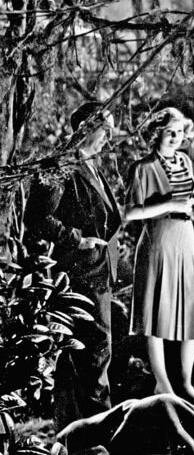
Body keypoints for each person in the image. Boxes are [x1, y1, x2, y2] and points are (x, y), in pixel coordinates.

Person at [24, 102, 122, 427]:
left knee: (84, 352)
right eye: (104, 129)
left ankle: (75, 430)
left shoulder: (90, 163)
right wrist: (76, 239)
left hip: (99, 270)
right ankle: (99, 430)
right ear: (85, 129)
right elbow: (37, 217)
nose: (109, 137)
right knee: (94, 351)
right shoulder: (62, 165)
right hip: (80, 272)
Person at [125, 107, 194, 405]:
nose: (176, 138)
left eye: (179, 132)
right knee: (157, 314)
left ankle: (187, 383)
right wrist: (170, 204)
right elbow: (131, 212)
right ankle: (162, 384)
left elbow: (193, 208)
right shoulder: (143, 168)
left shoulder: (184, 161)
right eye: (169, 132)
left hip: (185, 239)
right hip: (159, 240)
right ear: (156, 134)